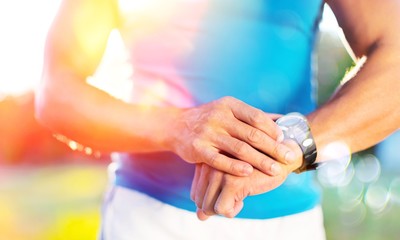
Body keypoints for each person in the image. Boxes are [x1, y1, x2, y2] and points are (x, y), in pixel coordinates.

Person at [35, 0, 400, 239]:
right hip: (147, 219)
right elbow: (56, 92)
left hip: (287, 226)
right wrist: (178, 126)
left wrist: (288, 145)